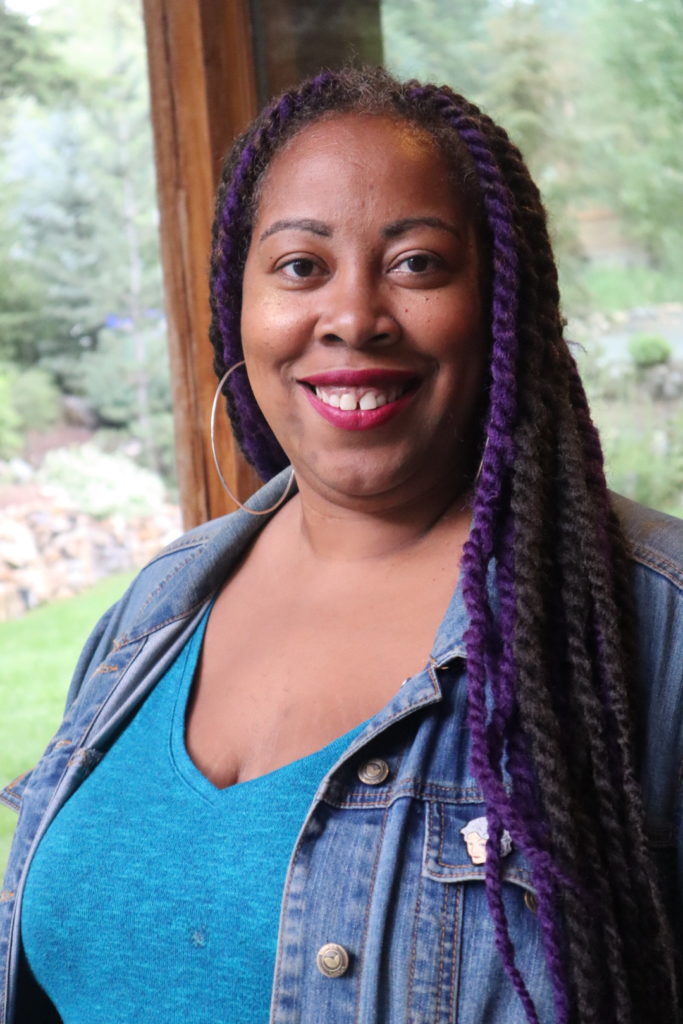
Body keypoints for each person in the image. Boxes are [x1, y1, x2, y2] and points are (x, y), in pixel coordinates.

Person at [1, 65, 681, 1024]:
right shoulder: (153, 610)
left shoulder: (652, 625)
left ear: (503, 310)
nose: (353, 315)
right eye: (299, 266)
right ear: (237, 305)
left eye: (416, 264)